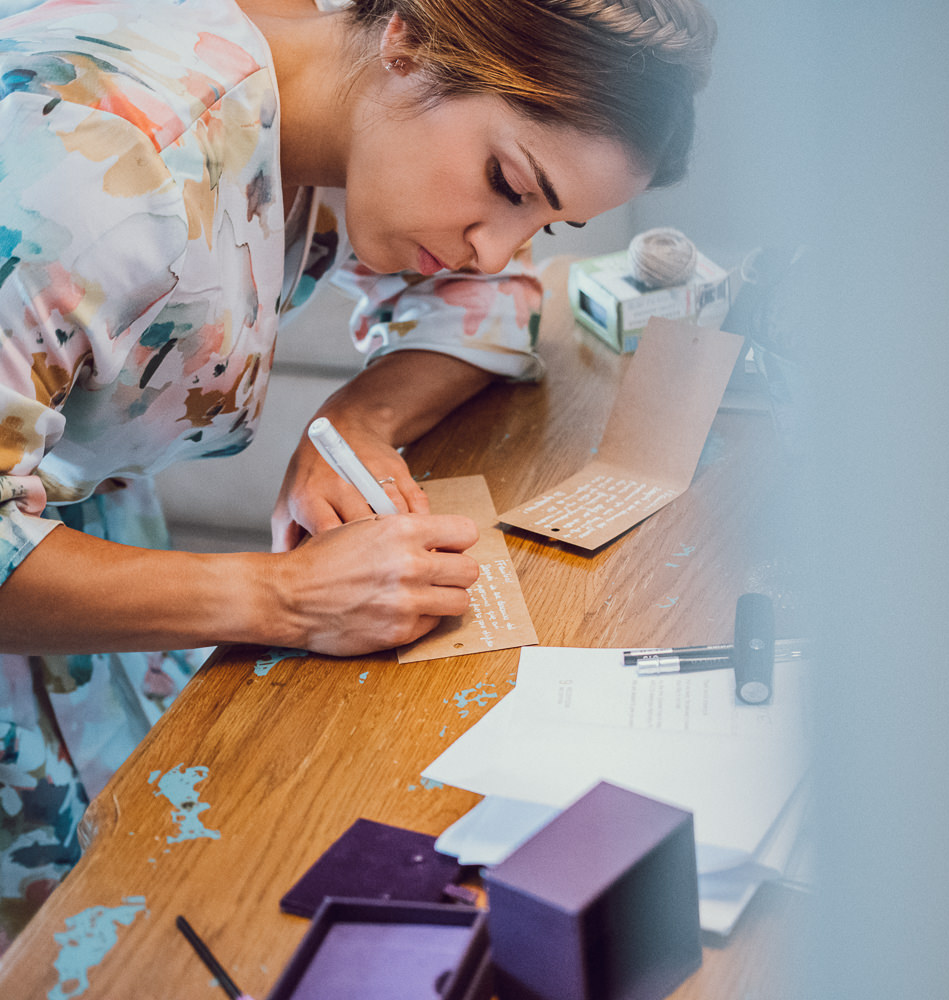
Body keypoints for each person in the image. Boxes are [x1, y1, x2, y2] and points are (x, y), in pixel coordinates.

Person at [0, 0, 715, 949]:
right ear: (409, 41)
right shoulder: (98, 181)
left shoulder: (324, 104)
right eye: (507, 183)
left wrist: (362, 418)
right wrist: (285, 597)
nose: (497, 245)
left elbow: (491, 298)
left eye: (546, 221)